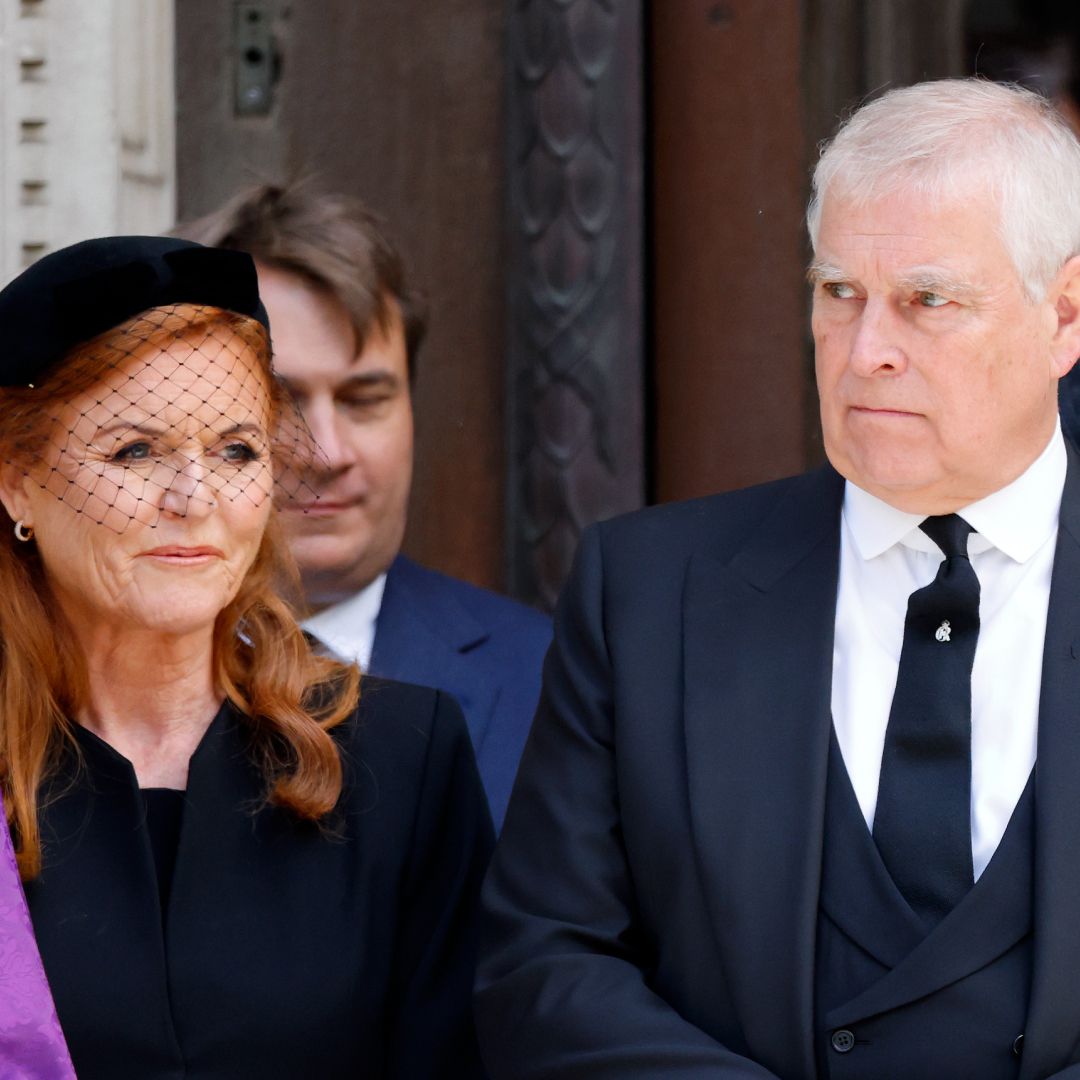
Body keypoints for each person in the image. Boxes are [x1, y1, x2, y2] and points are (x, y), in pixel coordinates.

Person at [476, 79, 1080, 1078]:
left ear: (1063, 316)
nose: (866, 352)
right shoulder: (645, 595)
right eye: (838, 292)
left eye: (927, 301)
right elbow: (543, 966)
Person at [0, 236, 493, 1079]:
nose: (196, 501)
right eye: (135, 451)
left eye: (236, 450)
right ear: (15, 481)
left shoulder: (401, 761)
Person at [177, 185, 551, 829]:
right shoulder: (81, 683)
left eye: (365, 398)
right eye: (280, 400)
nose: (326, 452)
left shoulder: (546, 675)